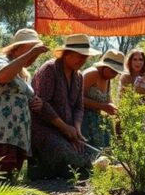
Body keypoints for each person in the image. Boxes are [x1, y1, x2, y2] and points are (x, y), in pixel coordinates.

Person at [0, 29, 49, 181]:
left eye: (36, 54)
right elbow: (2, 76)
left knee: (11, 175)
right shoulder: (0, 59)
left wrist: (36, 103)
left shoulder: (23, 73)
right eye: (30, 50)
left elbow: (23, 96)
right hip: (0, 129)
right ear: (17, 48)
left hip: (17, 132)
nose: (33, 56)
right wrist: (29, 55)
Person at [29, 34, 101, 179]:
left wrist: (77, 131)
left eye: (85, 56)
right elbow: (42, 104)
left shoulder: (79, 76)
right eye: (78, 55)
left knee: (87, 154)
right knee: (66, 155)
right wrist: (64, 127)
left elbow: (79, 107)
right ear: (66, 54)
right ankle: (41, 172)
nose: (82, 60)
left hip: (67, 132)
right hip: (45, 129)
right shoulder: (50, 69)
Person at [81, 49, 125, 148]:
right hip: (81, 119)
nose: (114, 74)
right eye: (112, 70)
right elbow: (76, 98)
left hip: (96, 120)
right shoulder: (92, 73)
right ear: (104, 66)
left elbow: (108, 100)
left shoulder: (108, 79)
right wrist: (102, 106)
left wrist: (114, 110)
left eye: (116, 72)